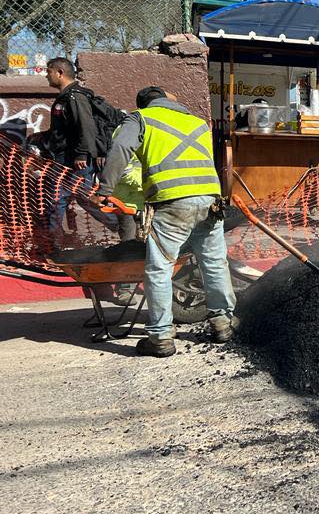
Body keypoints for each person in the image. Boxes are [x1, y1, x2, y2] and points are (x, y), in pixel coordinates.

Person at [92, 86, 235, 358]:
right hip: (209, 198)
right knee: (214, 262)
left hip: (172, 201)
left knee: (159, 269)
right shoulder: (198, 122)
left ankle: (159, 337)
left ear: (144, 104)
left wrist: (104, 191)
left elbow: (121, 148)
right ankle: (223, 323)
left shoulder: (140, 118)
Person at [39, 57, 106, 235]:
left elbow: (86, 126)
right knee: (61, 199)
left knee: (73, 198)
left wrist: (82, 155)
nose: (46, 76)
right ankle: (51, 242)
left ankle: (122, 224)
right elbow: (64, 130)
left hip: (76, 161)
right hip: (64, 160)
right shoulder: (65, 98)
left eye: (49, 71)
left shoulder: (75, 96)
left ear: (60, 73)